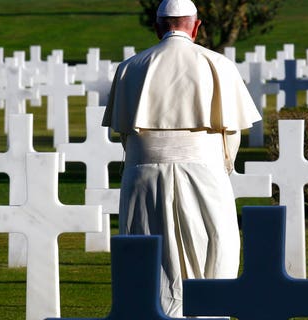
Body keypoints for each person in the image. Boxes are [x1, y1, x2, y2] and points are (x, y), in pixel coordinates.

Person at [102, 0, 261, 316]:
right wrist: (222, 165)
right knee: (215, 247)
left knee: (147, 254)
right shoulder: (218, 64)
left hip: (142, 177)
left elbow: (124, 135)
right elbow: (231, 133)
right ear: (196, 26)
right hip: (205, 174)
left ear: (158, 26)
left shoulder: (131, 67)